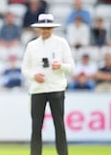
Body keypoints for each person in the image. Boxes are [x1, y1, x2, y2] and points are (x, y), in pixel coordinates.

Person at [21, 13, 74, 155]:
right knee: (36, 127)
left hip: (56, 88)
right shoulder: (32, 45)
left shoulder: (61, 43)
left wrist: (60, 66)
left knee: (59, 125)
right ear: (39, 28)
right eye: (43, 28)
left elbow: (71, 67)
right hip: (37, 90)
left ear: (53, 28)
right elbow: (24, 68)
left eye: (48, 28)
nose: (46, 31)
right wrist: (34, 76)